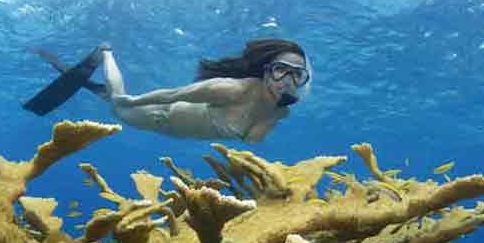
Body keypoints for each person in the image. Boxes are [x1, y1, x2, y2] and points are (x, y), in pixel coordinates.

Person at [23, 39, 310, 143]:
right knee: (119, 109)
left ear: (303, 82)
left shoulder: (280, 112)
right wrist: (133, 100)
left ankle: (108, 91)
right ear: (266, 71)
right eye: (280, 70)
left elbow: (251, 143)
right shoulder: (232, 89)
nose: (286, 80)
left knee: (114, 102)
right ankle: (106, 52)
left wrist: (272, 116)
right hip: (162, 115)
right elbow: (176, 94)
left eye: (296, 75)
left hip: (174, 131)